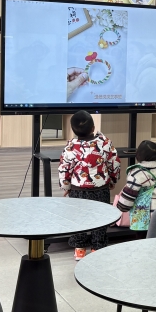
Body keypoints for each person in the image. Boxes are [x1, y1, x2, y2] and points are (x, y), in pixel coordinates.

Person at [59, 111, 121, 260]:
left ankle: (79, 249)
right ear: (93, 127)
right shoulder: (105, 143)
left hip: (78, 190)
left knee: (78, 218)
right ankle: (97, 247)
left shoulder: (71, 146)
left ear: (73, 130)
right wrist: (113, 180)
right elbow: (114, 164)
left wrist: (66, 186)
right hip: (101, 189)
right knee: (100, 218)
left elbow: (64, 168)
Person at [115, 140, 156, 236]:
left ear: (139, 155)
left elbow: (128, 197)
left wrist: (121, 207)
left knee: (142, 240)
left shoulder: (137, 174)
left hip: (143, 216)